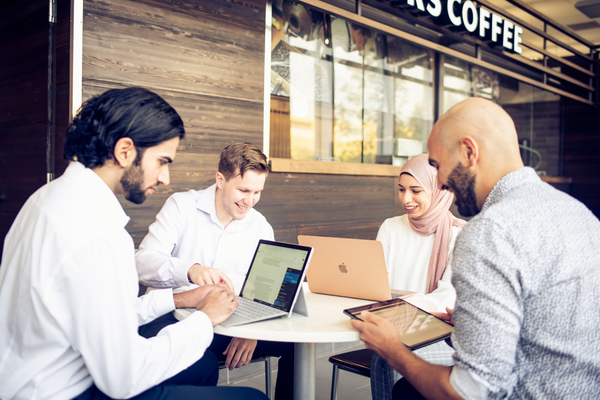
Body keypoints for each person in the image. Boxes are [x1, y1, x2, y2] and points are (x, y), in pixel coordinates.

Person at [0, 87, 267, 400]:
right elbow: (124, 379)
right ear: (125, 151)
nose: (165, 177)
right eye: (162, 161)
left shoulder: (48, 199)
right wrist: (205, 320)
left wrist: (181, 300)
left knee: (202, 368)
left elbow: (107, 312)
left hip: (30, 378)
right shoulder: (99, 232)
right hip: (70, 390)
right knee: (254, 398)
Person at [352, 97, 600, 399]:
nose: (441, 183)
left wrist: (392, 349)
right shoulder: (579, 213)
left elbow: (469, 392)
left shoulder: (488, 232)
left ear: (469, 152)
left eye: (438, 165)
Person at [135, 142, 294, 400]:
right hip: (170, 318)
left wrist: (252, 331)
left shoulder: (260, 226)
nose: (250, 201)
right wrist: (190, 270)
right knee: (202, 363)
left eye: (257, 192)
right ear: (220, 179)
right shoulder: (181, 206)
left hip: (232, 324)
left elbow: (265, 289)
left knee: (296, 346)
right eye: (243, 190)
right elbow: (143, 263)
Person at [371, 153, 466, 400]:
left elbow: (447, 296)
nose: (406, 198)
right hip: (389, 322)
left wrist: (401, 309)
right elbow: (375, 281)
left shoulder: (460, 235)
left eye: (416, 190)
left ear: (438, 191)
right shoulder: (391, 227)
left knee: (393, 361)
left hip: (435, 330)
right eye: (401, 189)